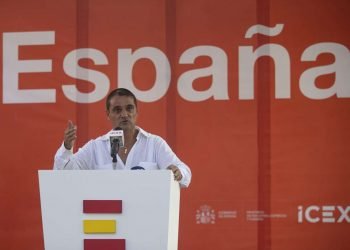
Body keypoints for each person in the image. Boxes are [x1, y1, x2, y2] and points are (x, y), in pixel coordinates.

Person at [53, 88, 191, 188]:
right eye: (117, 110)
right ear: (108, 114)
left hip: (147, 219)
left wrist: (178, 173)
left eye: (129, 108)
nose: (124, 114)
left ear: (136, 112)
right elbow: (65, 174)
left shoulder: (154, 144)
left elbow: (184, 171)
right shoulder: (96, 147)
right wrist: (66, 146)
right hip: (107, 221)